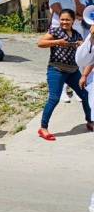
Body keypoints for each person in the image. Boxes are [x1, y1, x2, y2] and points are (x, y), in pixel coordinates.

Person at [37, 8, 90, 140]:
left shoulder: (77, 35)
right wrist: (57, 42)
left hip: (73, 71)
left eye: (67, 19)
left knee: (85, 95)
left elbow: (86, 53)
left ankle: (90, 121)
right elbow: (40, 43)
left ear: (73, 21)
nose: (64, 22)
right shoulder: (55, 31)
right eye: (62, 19)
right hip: (56, 70)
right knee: (54, 99)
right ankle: (43, 128)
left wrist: (82, 45)